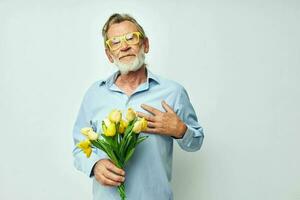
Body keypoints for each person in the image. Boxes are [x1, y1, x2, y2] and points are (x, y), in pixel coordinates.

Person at [72, 13, 204, 200]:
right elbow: (79, 147)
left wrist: (180, 130)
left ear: (146, 44)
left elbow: (196, 142)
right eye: (115, 43)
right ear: (109, 55)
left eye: (130, 38)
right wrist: (95, 164)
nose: (124, 46)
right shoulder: (95, 94)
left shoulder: (173, 92)